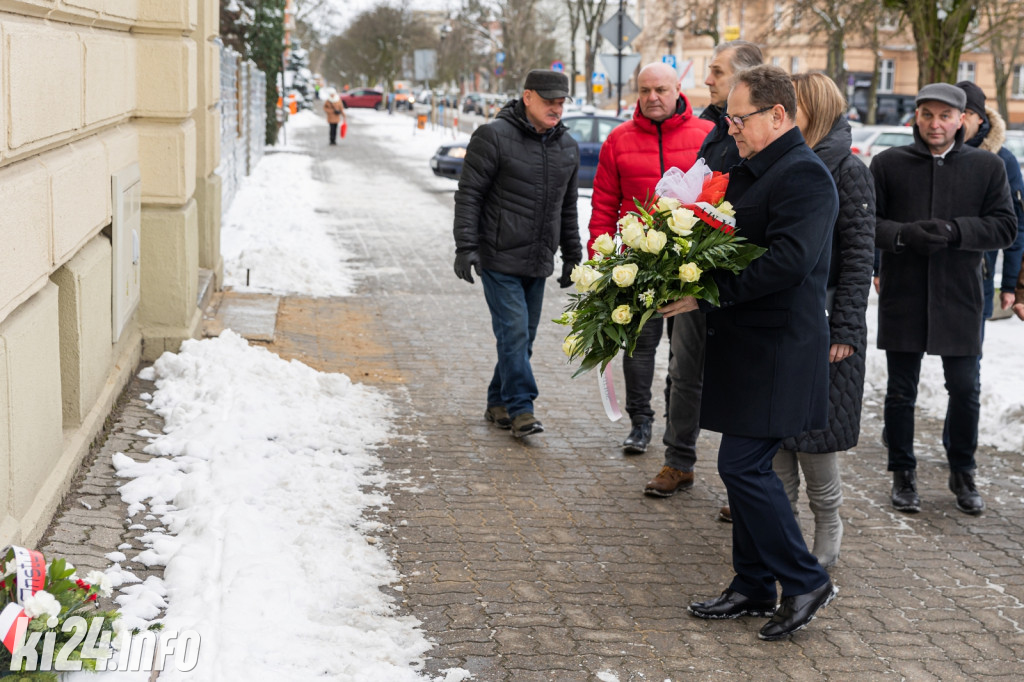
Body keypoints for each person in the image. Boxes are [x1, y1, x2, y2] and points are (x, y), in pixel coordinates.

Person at [660, 65, 839, 640]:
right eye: (729, 117)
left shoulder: (805, 176)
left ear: (779, 115)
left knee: (741, 465)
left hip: (780, 346)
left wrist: (704, 292)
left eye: (740, 119)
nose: (730, 127)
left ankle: (805, 578)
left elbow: (789, 261)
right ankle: (753, 584)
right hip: (747, 343)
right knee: (745, 468)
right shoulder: (750, 167)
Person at [871, 83, 1016, 515]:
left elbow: (1006, 227)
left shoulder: (987, 167)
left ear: (962, 119)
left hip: (960, 295)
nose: (936, 124)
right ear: (916, 117)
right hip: (905, 293)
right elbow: (865, 223)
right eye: (928, 115)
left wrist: (957, 231)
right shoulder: (887, 163)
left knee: (966, 389)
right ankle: (903, 473)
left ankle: (963, 471)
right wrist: (902, 234)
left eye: (945, 116)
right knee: (900, 392)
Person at [766, 72, 876, 569]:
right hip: (782, 319)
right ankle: (783, 533)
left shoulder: (848, 171)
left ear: (815, 108)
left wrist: (848, 329)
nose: (782, 109)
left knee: (817, 435)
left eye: (793, 103)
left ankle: (828, 521)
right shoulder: (783, 162)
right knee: (778, 432)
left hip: (827, 322)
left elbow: (859, 259)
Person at [645, 40, 762, 499]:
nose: (707, 80)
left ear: (744, 79)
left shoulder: (760, 135)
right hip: (695, 271)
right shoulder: (714, 129)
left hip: (737, 277)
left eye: (715, 71)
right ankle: (678, 461)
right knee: (684, 369)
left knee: (741, 379)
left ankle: (745, 484)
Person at [588, 62, 712, 455]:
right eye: (645, 91)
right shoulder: (618, 140)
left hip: (690, 264)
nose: (652, 98)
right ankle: (640, 422)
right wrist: (599, 258)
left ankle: (679, 431)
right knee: (638, 348)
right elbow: (604, 204)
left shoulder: (707, 134)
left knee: (686, 357)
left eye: (660, 89)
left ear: (678, 89)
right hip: (634, 266)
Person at [452, 70, 582, 438]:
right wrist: (465, 246)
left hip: (539, 259)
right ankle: (521, 408)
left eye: (561, 102)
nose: (556, 108)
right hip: (498, 257)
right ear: (527, 97)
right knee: (514, 334)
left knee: (523, 336)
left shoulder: (566, 146)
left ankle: (497, 401)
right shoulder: (493, 137)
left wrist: (573, 254)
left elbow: (567, 207)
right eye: (549, 101)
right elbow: (469, 194)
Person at [954, 81, 1024, 327]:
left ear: (980, 118)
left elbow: (1017, 226)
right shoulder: (931, 154)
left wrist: (1010, 284)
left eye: (967, 113)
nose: (959, 119)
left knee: (967, 362)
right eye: (954, 111)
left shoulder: (1002, 161)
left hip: (977, 277)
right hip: (926, 278)